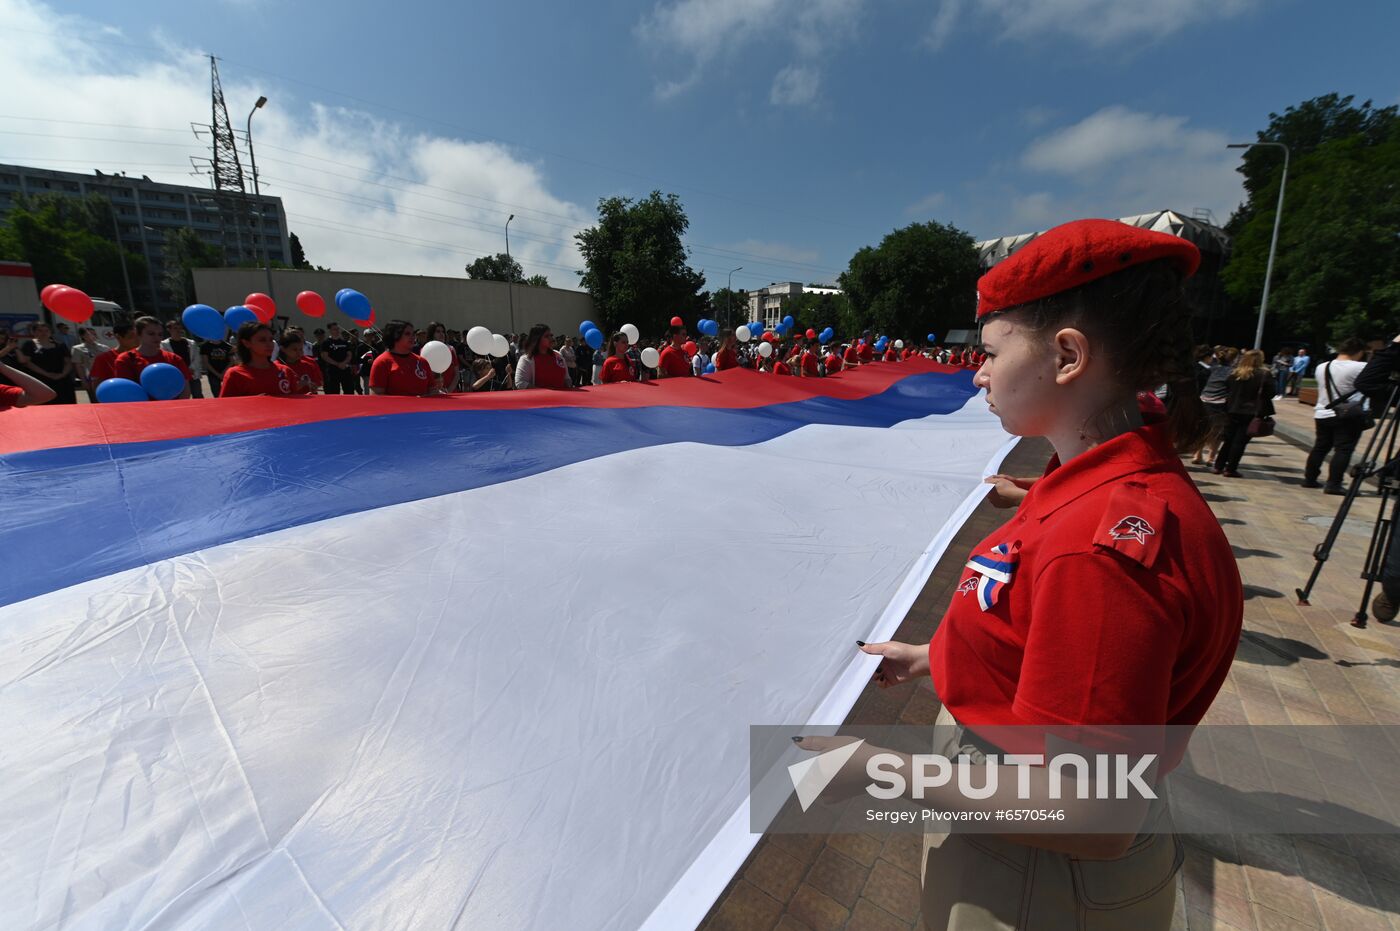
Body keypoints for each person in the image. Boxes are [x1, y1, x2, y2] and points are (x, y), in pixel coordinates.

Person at [794, 218, 1241, 929]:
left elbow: (1092, 808)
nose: (977, 371)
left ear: (1067, 355)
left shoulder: (1101, 548)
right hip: (1017, 835)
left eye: (992, 351)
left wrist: (880, 769)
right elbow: (1033, 635)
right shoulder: (1088, 487)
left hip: (1035, 869)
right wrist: (937, 657)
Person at [1303, 338, 1369, 493]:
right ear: (1359, 352)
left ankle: (1310, 478)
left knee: (1320, 447)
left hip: (1323, 412)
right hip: (1348, 414)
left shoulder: (1322, 366)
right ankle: (1334, 483)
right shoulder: (1361, 367)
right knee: (1343, 449)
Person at [1212, 349, 1273, 478]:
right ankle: (1231, 468)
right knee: (1240, 442)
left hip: (1231, 409)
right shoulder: (1264, 374)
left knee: (1228, 440)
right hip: (1251, 412)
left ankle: (1218, 465)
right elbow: (1272, 392)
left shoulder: (1234, 374)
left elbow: (1227, 388)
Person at [218, 322, 307, 398]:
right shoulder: (235, 374)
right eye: (262, 340)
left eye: (271, 339)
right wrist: (252, 402)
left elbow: (294, 404)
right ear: (247, 343)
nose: (269, 344)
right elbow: (226, 407)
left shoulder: (286, 371)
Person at [114, 317, 192, 399]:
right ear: (138, 334)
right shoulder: (125, 359)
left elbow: (185, 390)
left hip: (173, 408)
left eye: (160, 334)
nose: (157, 337)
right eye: (151, 334)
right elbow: (125, 391)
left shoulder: (174, 358)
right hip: (142, 409)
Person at [370, 320, 442, 397]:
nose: (413, 337)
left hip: (423, 408)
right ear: (394, 336)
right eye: (407, 334)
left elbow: (432, 390)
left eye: (413, 334)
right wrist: (411, 401)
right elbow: (376, 397)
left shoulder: (422, 361)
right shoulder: (381, 362)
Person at [1194, 346, 1238, 467]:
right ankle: (1211, 457)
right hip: (1220, 403)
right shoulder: (1233, 372)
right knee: (1217, 433)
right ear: (1233, 359)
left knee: (1202, 429)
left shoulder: (1211, 369)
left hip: (1204, 400)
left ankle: (1197, 454)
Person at [16, 321, 77, 404]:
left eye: (46, 330)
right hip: (40, 381)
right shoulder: (29, 344)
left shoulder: (60, 345)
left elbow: (68, 362)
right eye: (40, 330)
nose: (43, 333)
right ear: (33, 332)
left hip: (62, 381)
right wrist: (47, 374)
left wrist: (62, 374)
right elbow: (27, 363)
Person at [514, 323, 573, 389]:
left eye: (551, 335)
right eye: (546, 336)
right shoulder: (526, 359)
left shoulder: (558, 355)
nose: (551, 338)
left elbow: (567, 378)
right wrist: (546, 392)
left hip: (563, 398)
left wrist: (569, 384)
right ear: (537, 339)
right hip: (541, 399)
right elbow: (520, 383)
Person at [87, 322, 138, 394]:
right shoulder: (103, 359)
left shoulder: (143, 355)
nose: (137, 340)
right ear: (118, 337)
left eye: (138, 336)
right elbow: (97, 386)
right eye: (131, 336)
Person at [162, 318, 204, 398]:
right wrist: (182, 370)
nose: (178, 330)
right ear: (169, 330)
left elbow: (196, 358)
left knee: (198, 395)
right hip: (176, 375)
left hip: (192, 374)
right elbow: (166, 360)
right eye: (175, 328)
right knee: (180, 397)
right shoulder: (164, 345)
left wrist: (190, 369)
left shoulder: (191, 343)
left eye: (180, 328)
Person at [70, 327, 110, 403]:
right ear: (82, 336)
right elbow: (78, 366)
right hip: (92, 379)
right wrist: (83, 380)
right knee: (95, 400)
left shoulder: (104, 348)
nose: (93, 335)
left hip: (106, 377)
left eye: (94, 333)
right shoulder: (78, 349)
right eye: (89, 334)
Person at [278, 329, 324, 394]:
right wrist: (297, 386)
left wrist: (313, 388)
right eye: (294, 349)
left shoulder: (308, 365)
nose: (299, 353)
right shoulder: (277, 368)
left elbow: (318, 384)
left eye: (301, 349)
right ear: (283, 349)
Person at [319, 323, 358, 395]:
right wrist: (337, 364)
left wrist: (344, 363)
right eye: (334, 329)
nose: (337, 331)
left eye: (338, 329)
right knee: (334, 392)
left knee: (349, 391)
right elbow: (324, 356)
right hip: (332, 371)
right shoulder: (326, 343)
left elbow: (349, 354)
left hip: (345, 370)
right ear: (329, 330)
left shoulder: (344, 342)